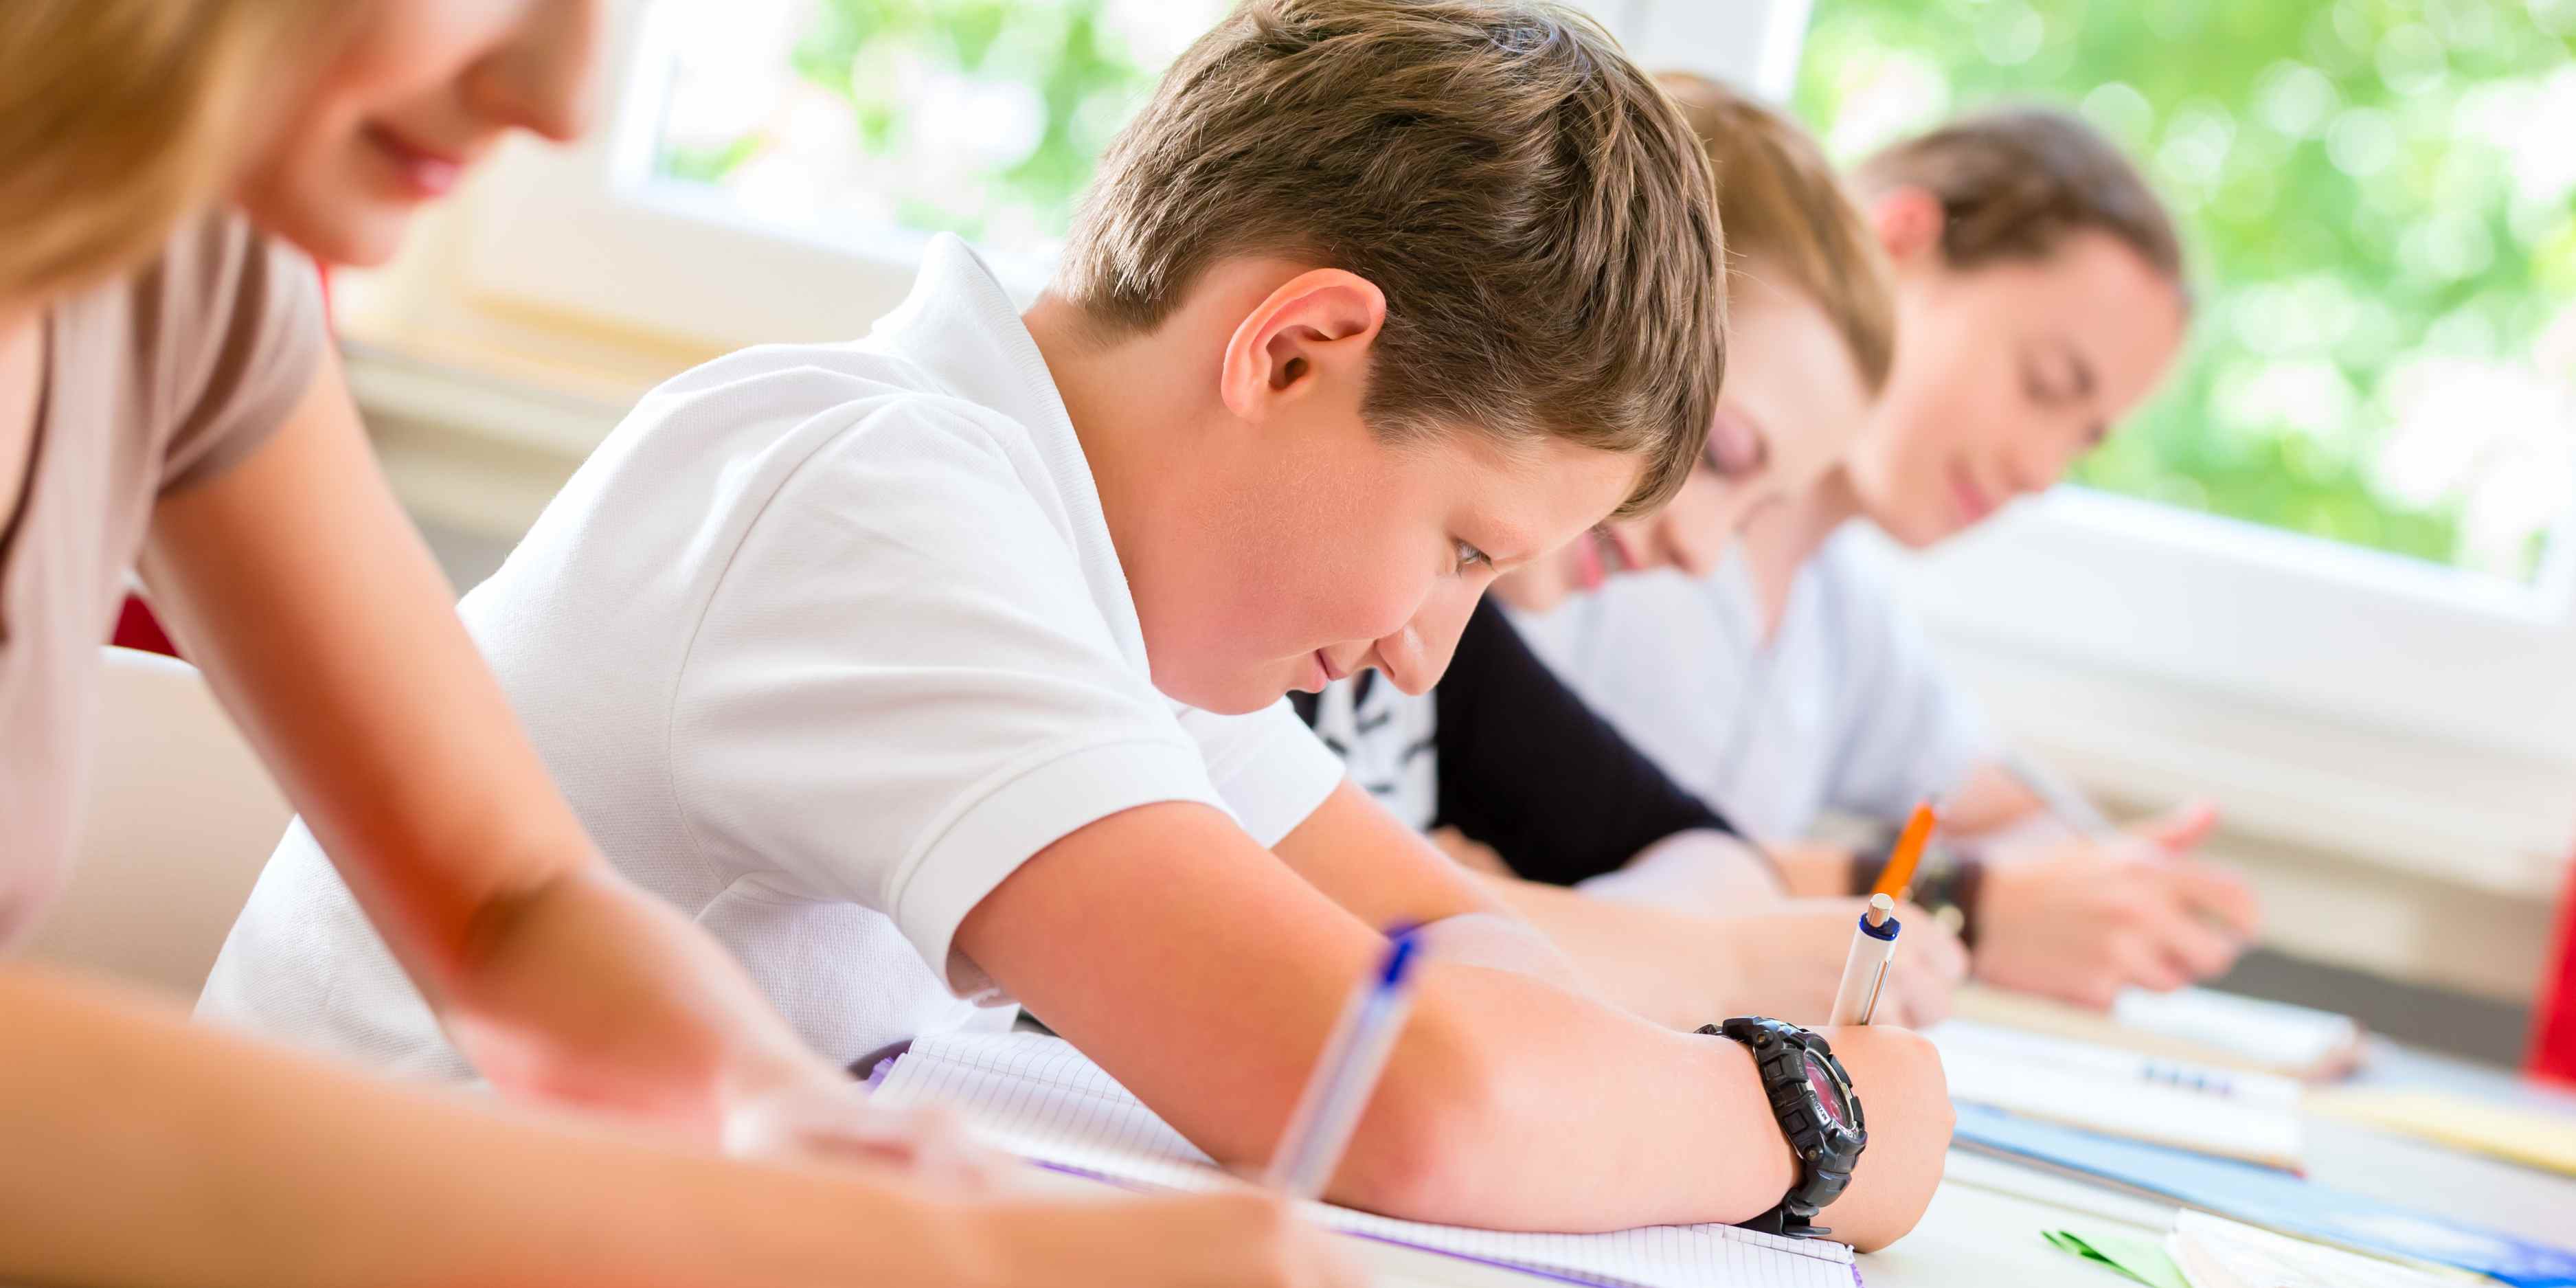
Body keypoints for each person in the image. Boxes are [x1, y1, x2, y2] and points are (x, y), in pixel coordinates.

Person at [203, 0, 1955, 1247]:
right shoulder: (884, 502)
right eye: (1456, 548)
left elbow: (1464, 957)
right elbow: (1401, 1088)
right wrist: (1815, 1118)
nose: (1433, 646)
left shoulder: (1104, 569)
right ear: (1289, 351)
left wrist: (1539, 1048)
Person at [1, 2, 1357, 1283]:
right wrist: (913, 1252)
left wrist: (767, 1105)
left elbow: (506, 892)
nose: (563, 100)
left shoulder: (181, 270)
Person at [1504, 108, 2264, 1009]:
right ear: (1896, 242)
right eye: (2044, 385)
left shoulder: (1839, 614)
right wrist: (1957, 902)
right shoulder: (1599, 528)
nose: (2036, 471)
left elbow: (2018, 817)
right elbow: (1512, 860)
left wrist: (2103, 887)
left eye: (2080, 440)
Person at [1295, 74, 1968, 1030]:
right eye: (1721, 454)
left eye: (1754, 514)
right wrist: (1683, 958)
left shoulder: (1457, 642)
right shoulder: (1259, 616)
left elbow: (1717, 858)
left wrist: (1539, 927)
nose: (1701, 553)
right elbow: (1291, 917)